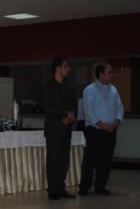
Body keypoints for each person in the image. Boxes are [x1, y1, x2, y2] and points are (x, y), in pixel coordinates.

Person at [79, 63, 124, 196]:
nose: (112, 75)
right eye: (109, 73)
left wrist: (116, 121)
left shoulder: (113, 89)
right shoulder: (89, 90)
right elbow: (88, 111)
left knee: (106, 159)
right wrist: (103, 125)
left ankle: (100, 186)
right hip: (95, 130)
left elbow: (119, 108)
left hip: (111, 129)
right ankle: (84, 187)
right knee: (90, 160)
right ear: (101, 74)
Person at [41, 56, 77, 200]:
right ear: (58, 68)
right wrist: (64, 114)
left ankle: (61, 188)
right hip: (54, 129)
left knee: (64, 160)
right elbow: (47, 107)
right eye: (66, 66)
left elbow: (74, 105)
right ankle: (53, 190)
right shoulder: (48, 86)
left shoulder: (68, 86)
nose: (69, 69)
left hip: (67, 129)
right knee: (53, 160)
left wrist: (71, 115)